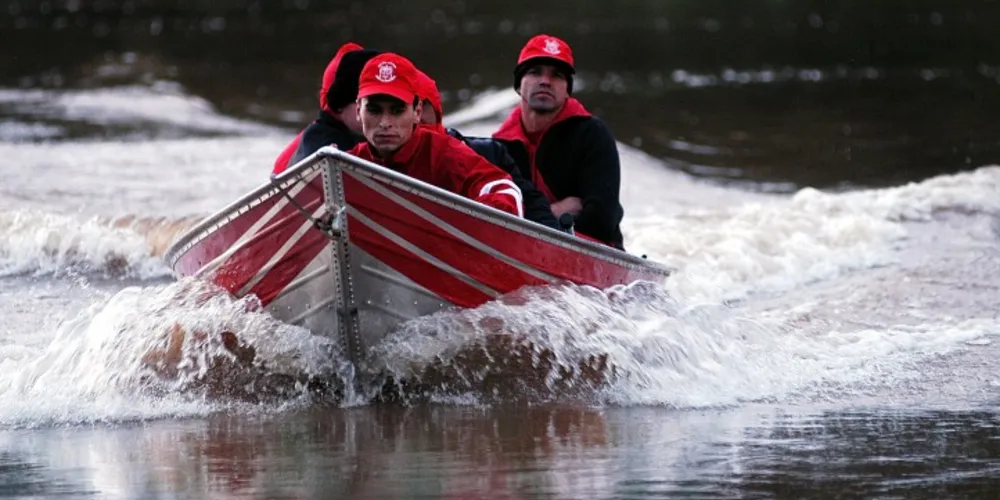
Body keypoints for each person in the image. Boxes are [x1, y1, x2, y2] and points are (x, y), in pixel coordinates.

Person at [347, 53, 523, 218]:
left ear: (417, 112)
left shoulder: (444, 153)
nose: (385, 123)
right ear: (358, 111)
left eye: (397, 110)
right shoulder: (344, 164)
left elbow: (505, 190)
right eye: (374, 110)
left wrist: (468, 223)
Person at [492, 34, 625, 249]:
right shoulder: (500, 145)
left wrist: (532, 218)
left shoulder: (593, 134)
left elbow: (602, 219)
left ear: (567, 90)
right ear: (519, 85)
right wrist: (554, 211)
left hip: (595, 256)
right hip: (521, 248)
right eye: (535, 72)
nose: (545, 81)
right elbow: (495, 209)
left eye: (557, 75)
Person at [413, 70, 561, 230]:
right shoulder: (384, 160)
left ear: (436, 110)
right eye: (400, 109)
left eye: (422, 105)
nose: (416, 115)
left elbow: (535, 207)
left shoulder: (490, 152)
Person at [271, 42, 381, 175]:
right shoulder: (317, 141)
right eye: (372, 108)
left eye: (396, 110)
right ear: (339, 106)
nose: (384, 120)